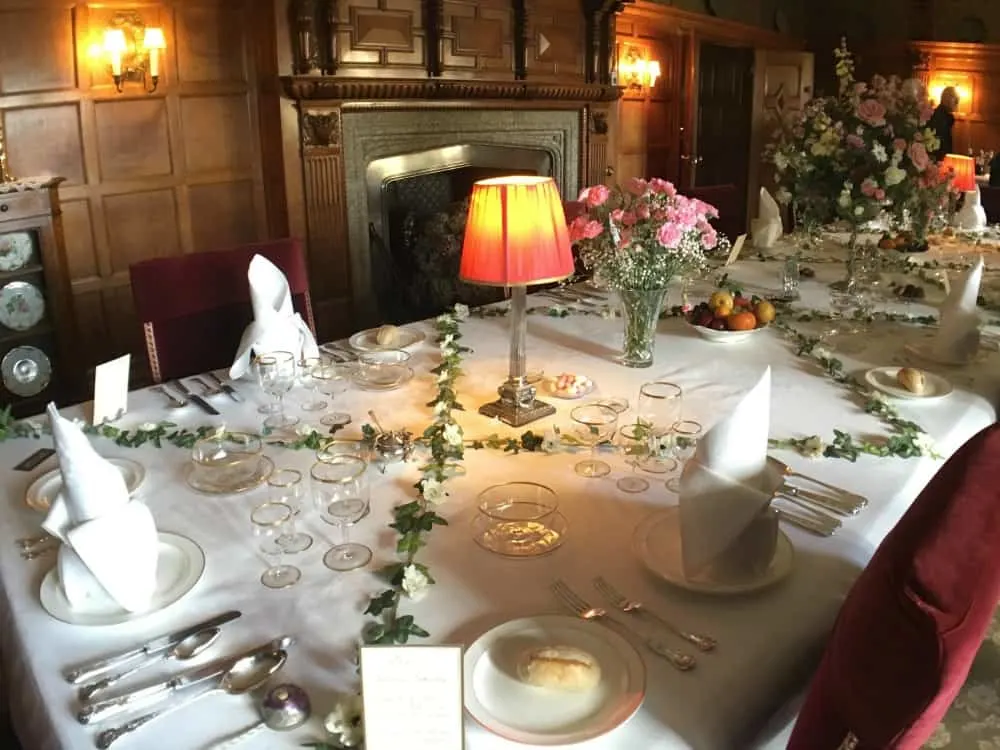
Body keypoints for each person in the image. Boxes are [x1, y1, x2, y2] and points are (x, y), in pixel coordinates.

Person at [927, 86, 959, 159]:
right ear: (945, 98)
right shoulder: (937, 117)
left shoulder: (948, 118)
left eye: (958, 98)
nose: (957, 102)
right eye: (954, 97)